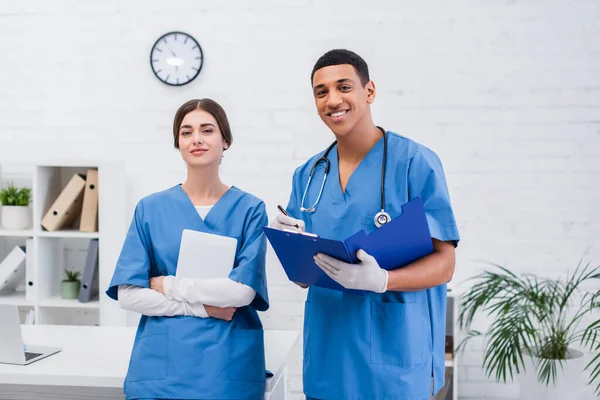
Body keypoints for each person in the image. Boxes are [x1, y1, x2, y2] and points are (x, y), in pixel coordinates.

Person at [271, 49, 460, 400]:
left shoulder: (414, 163)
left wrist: (383, 280)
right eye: (321, 91)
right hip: (329, 359)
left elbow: (445, 263)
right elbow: (301, 279)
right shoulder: (308, 176)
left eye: (344, 87)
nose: (333, 100)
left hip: (397, 358)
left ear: (369, 91)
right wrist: (287, 243)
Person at [106, 98, 269, 400]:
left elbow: (241, 293)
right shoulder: (151, 209)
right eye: (186, 132)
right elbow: (128, 295)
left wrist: (166, 284)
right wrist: (203, 308)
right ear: (177, 143)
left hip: (227, 366)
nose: (196, 139)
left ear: (226, 140)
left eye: (207, 130)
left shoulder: (250, 209)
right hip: (161, 367)